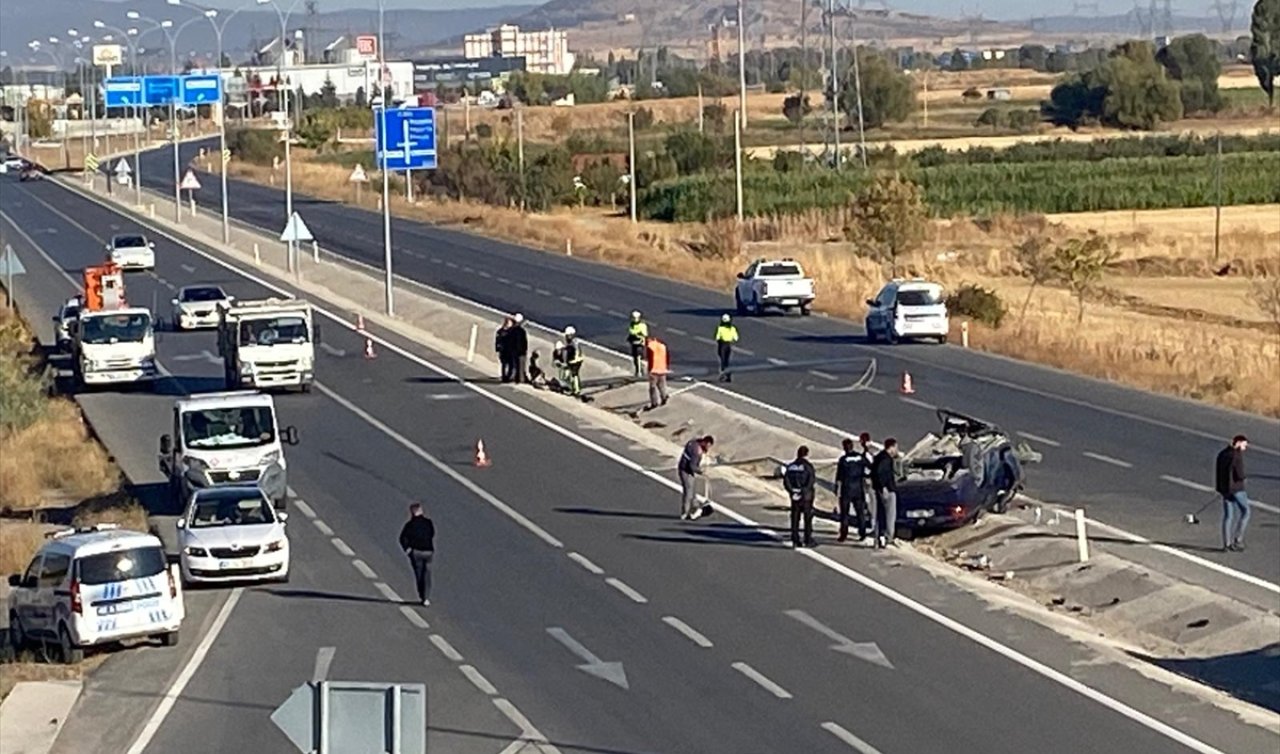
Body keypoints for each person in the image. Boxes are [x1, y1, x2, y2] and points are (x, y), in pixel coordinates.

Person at [834, 434, 874, 543]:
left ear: (844, 448)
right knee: (860, 512)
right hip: (858, 488)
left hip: (846, 489)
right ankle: (862, 532)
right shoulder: (860, 457)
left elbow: (839, 477)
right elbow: (869, 468)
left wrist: (836, 489)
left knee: (845, 514)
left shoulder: (843, 460)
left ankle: (844, 534)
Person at [1215, 435, 1251, 552]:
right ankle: (1238, 539)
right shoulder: (1237, 456)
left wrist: (1220, 488)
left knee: (1228, 516)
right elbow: (1239, 474)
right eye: (1244, 445)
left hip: (1225, 489)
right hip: (1237, 489)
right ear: (1239, 443)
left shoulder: (1222, 454)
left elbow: (1219, 472)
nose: (1245, 448)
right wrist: (1244, 478)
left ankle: (1226, 543)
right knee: (1246, 512)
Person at [397, 503, 436, 606]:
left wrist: (407, 549)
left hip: (416, 552)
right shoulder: (428, 523)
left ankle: (422, 595)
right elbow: (432, 533)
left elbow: (402, 538)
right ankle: (426, 597)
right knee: (427, 575)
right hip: (428, 551)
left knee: (419, 574)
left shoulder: (409, 525)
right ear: (421, 511)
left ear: (412, 513)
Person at [783, 445, 817, 548]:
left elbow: (786, 481)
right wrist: (804, 491)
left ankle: (795, 538)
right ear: (806, 454)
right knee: (807, 518)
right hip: (806, 497)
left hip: (794, 496)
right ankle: (808, 539)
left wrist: (792, 491)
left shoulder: (790, 466)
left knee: (795, 517)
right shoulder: (808, 467)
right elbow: (811, 481)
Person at [871, 439, 901, 549]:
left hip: (880, 489)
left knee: (881, 514)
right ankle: (889, 537)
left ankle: (879, 537)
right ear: (891, 447)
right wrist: (883, 486)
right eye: (896, 447)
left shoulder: (879, 457)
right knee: (890, 515)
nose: (897, 450)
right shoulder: (886, 459)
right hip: (887, 490)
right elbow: (879, 473)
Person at [678, 435, 715, 520]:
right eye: (707, 446)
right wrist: (701, 472)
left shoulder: (694, 442)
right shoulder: (696, 451)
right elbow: (692, 466)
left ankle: (695, 508)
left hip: (688, 470)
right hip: (685, 470)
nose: (708, 448)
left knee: (692, 490)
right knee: (688, 491)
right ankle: (685, 513)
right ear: (704, 442)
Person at [645, 334, 670, 410]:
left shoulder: (650, 347)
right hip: (662, 369)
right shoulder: (662, 346)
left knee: (652, 387)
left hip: (654, 370)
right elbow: (667, 357)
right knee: (661, 385)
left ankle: (654, 403)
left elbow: (649, 359)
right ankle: (664, 397)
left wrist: (649, 370)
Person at [714, 314, 739, 383]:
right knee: (727, 361)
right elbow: (736, 338)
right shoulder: (732, 328)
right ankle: (728, 376)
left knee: (722, 361)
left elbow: (717, 337)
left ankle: (723, 375)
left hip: (722, 345)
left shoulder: (720, 328)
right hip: (728, 345)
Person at [563, 326, 585, 398]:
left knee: (573, 375)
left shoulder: (572, 343)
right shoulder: (575, 341)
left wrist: (566, 361)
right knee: (573, 375)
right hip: (576, 360)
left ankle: (576, 390)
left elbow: (569, 352)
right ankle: (574, 389)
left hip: (574, 361)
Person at [627, 310, 649, 378]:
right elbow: (631, 331)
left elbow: (644, 334)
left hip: (639, 343)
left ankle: (639, 371)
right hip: (634, 342)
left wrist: (637, 334)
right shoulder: (632, 324)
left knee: (638, 357)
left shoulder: (642, 325)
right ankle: (638, 370)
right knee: (635, 358)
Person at [509, 313, 529, 384]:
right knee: (521, 366)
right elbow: (524, 342)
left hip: (514, 350)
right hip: (521, 351)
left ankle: (515, 378)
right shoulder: (521, 331)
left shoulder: (512, 330)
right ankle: (521, 379)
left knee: (515, 365)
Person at [495, 318, 514, 383]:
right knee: (505, 364)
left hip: (509, 350)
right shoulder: (502, 332)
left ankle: (507, 376)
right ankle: (505, 377)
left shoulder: (511, 332)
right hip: (505, 351)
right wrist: (498, 349)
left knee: (509, 364)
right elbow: (497, 341)